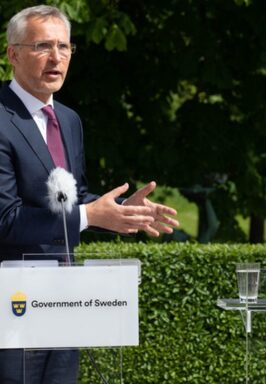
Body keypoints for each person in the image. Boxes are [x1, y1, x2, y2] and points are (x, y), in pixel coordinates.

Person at [0, 5, 179, 383]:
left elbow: (74, 198)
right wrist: (89, 215)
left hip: (66, 298)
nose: (56, 57)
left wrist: (118, 212)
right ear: (12, 53)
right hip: (11, 308)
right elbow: (7, 219)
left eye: (64, 47)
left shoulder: (68, 119)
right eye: (42, 46)